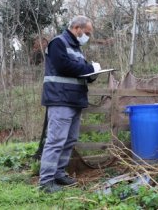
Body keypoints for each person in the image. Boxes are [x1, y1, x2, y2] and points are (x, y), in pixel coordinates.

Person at [39, 15, 101, 193]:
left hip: (74, 100)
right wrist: (90, 69)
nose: (87, 36)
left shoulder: (77, 48)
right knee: (56, 140)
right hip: (60, 99)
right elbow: (64, 67)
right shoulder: (58, 43)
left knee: (69, 140)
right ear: (77, 28)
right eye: (86, 33)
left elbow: (78, 73)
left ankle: (58, 174)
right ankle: (46, 181)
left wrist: (92, 74)